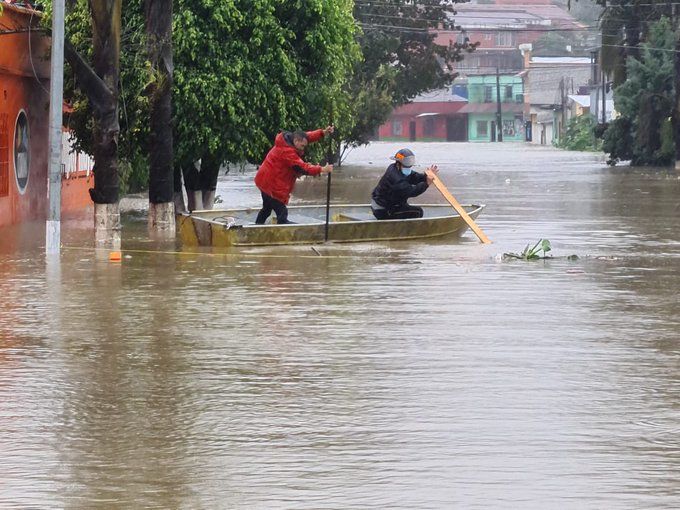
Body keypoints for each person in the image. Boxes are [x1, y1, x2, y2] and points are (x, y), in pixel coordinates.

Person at [254, 126, 334, 224]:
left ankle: (256, 227)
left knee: (266, 209)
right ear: (296, 141)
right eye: (303, 146)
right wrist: (322, 169)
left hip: (264, 181)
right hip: (271, 185)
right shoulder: (287, 152)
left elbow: (307, 136)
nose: (304, 148)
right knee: (282, 213)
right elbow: (303, 168)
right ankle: (285, 232)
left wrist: (323, 132)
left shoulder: (289, 139)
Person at [370, 148, 438, 220]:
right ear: (398, 163)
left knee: (405, 205)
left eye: (409, 167)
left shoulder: (394, 168)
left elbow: (413, 176)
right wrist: (426, 184)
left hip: (385, 204)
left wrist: (426, 176)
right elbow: (412, 191)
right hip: (383, 210)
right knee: (418, 212)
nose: (408, 169)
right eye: (406, 166)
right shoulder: (396, 179)